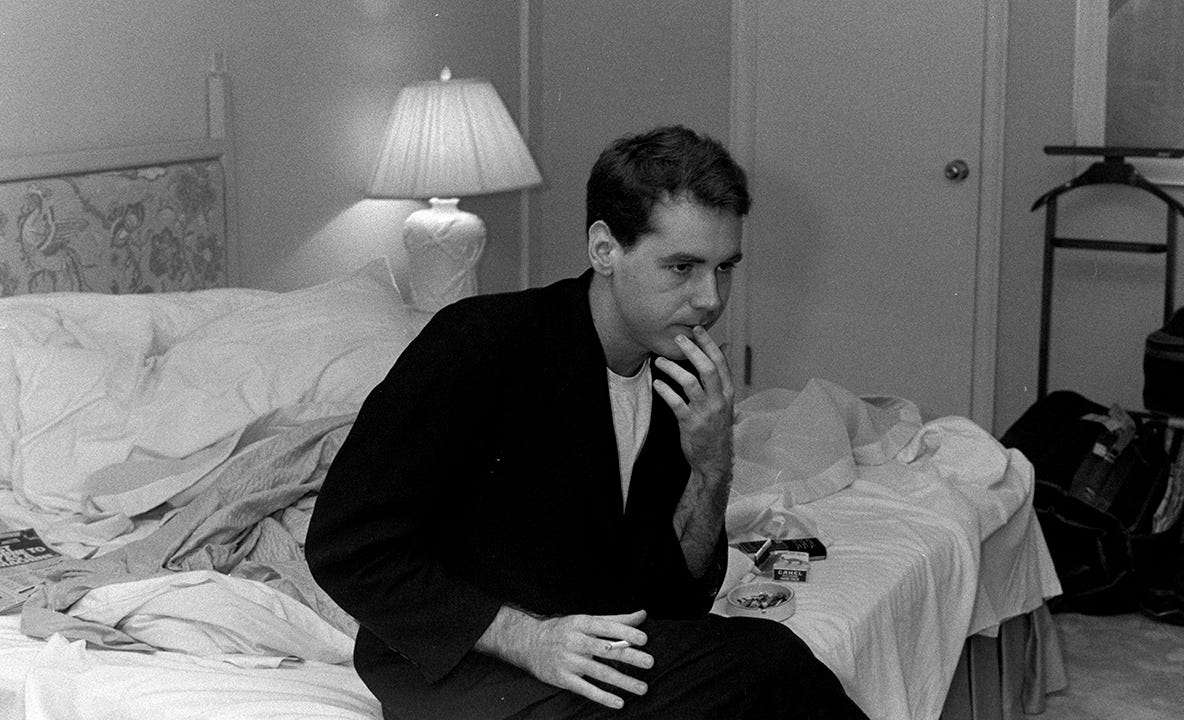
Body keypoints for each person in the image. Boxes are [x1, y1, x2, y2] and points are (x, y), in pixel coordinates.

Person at [306, 125, 868, 720]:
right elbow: (345, 546)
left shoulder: (673, 372)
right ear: (604, 249)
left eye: (724, 267)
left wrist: (711, 463)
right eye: (682, 267)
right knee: (767, 664)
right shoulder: (479, 342)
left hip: (589, 646)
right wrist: (529, 640)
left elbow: (678, 603)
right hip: (462, 667)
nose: (710, 298)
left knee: (760, 666)